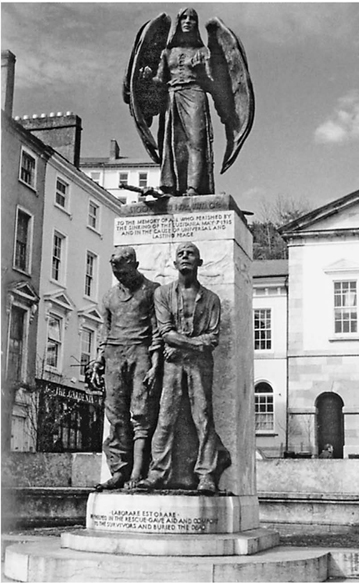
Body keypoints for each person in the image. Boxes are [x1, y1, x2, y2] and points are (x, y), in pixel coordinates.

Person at [138, 242, 230, 494]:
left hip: (199, 365)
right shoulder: (163, 294)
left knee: (203, 418)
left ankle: (206, 475)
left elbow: (212, 338)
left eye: (191, 254)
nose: (186, 257)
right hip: (172, 365)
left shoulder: (211, 299)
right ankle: (157, 472)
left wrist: (182, 347)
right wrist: (189, 345)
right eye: (181, 254)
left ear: (199, 263)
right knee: (166, 416)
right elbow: (166, 332)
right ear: (175, 264)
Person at [92, 246, 162, 490]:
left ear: (135, 265)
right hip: (114, 354)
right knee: (116, 414)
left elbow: (157, 331)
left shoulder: (152, 291)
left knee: (141, 413)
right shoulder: (109, 296)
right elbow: (105, 330)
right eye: (118, 274)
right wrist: (99, 359)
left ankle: (138, 470)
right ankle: (119, 469)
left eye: (125, 273)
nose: (122, 278)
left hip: (140, 351)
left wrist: (155, 363)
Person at [143, 8, 215, 196]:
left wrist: (201, 71)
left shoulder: (203, 51)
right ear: (178, 22)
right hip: (172, 96)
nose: (188, 21)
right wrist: (147, 77)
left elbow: (212, 83)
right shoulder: (168, 52)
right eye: (184, 17)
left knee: (196, 141)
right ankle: (170, 186)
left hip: (195, 94)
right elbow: (160, 80)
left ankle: (194, 188)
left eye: (192, 18)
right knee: (172, 142)